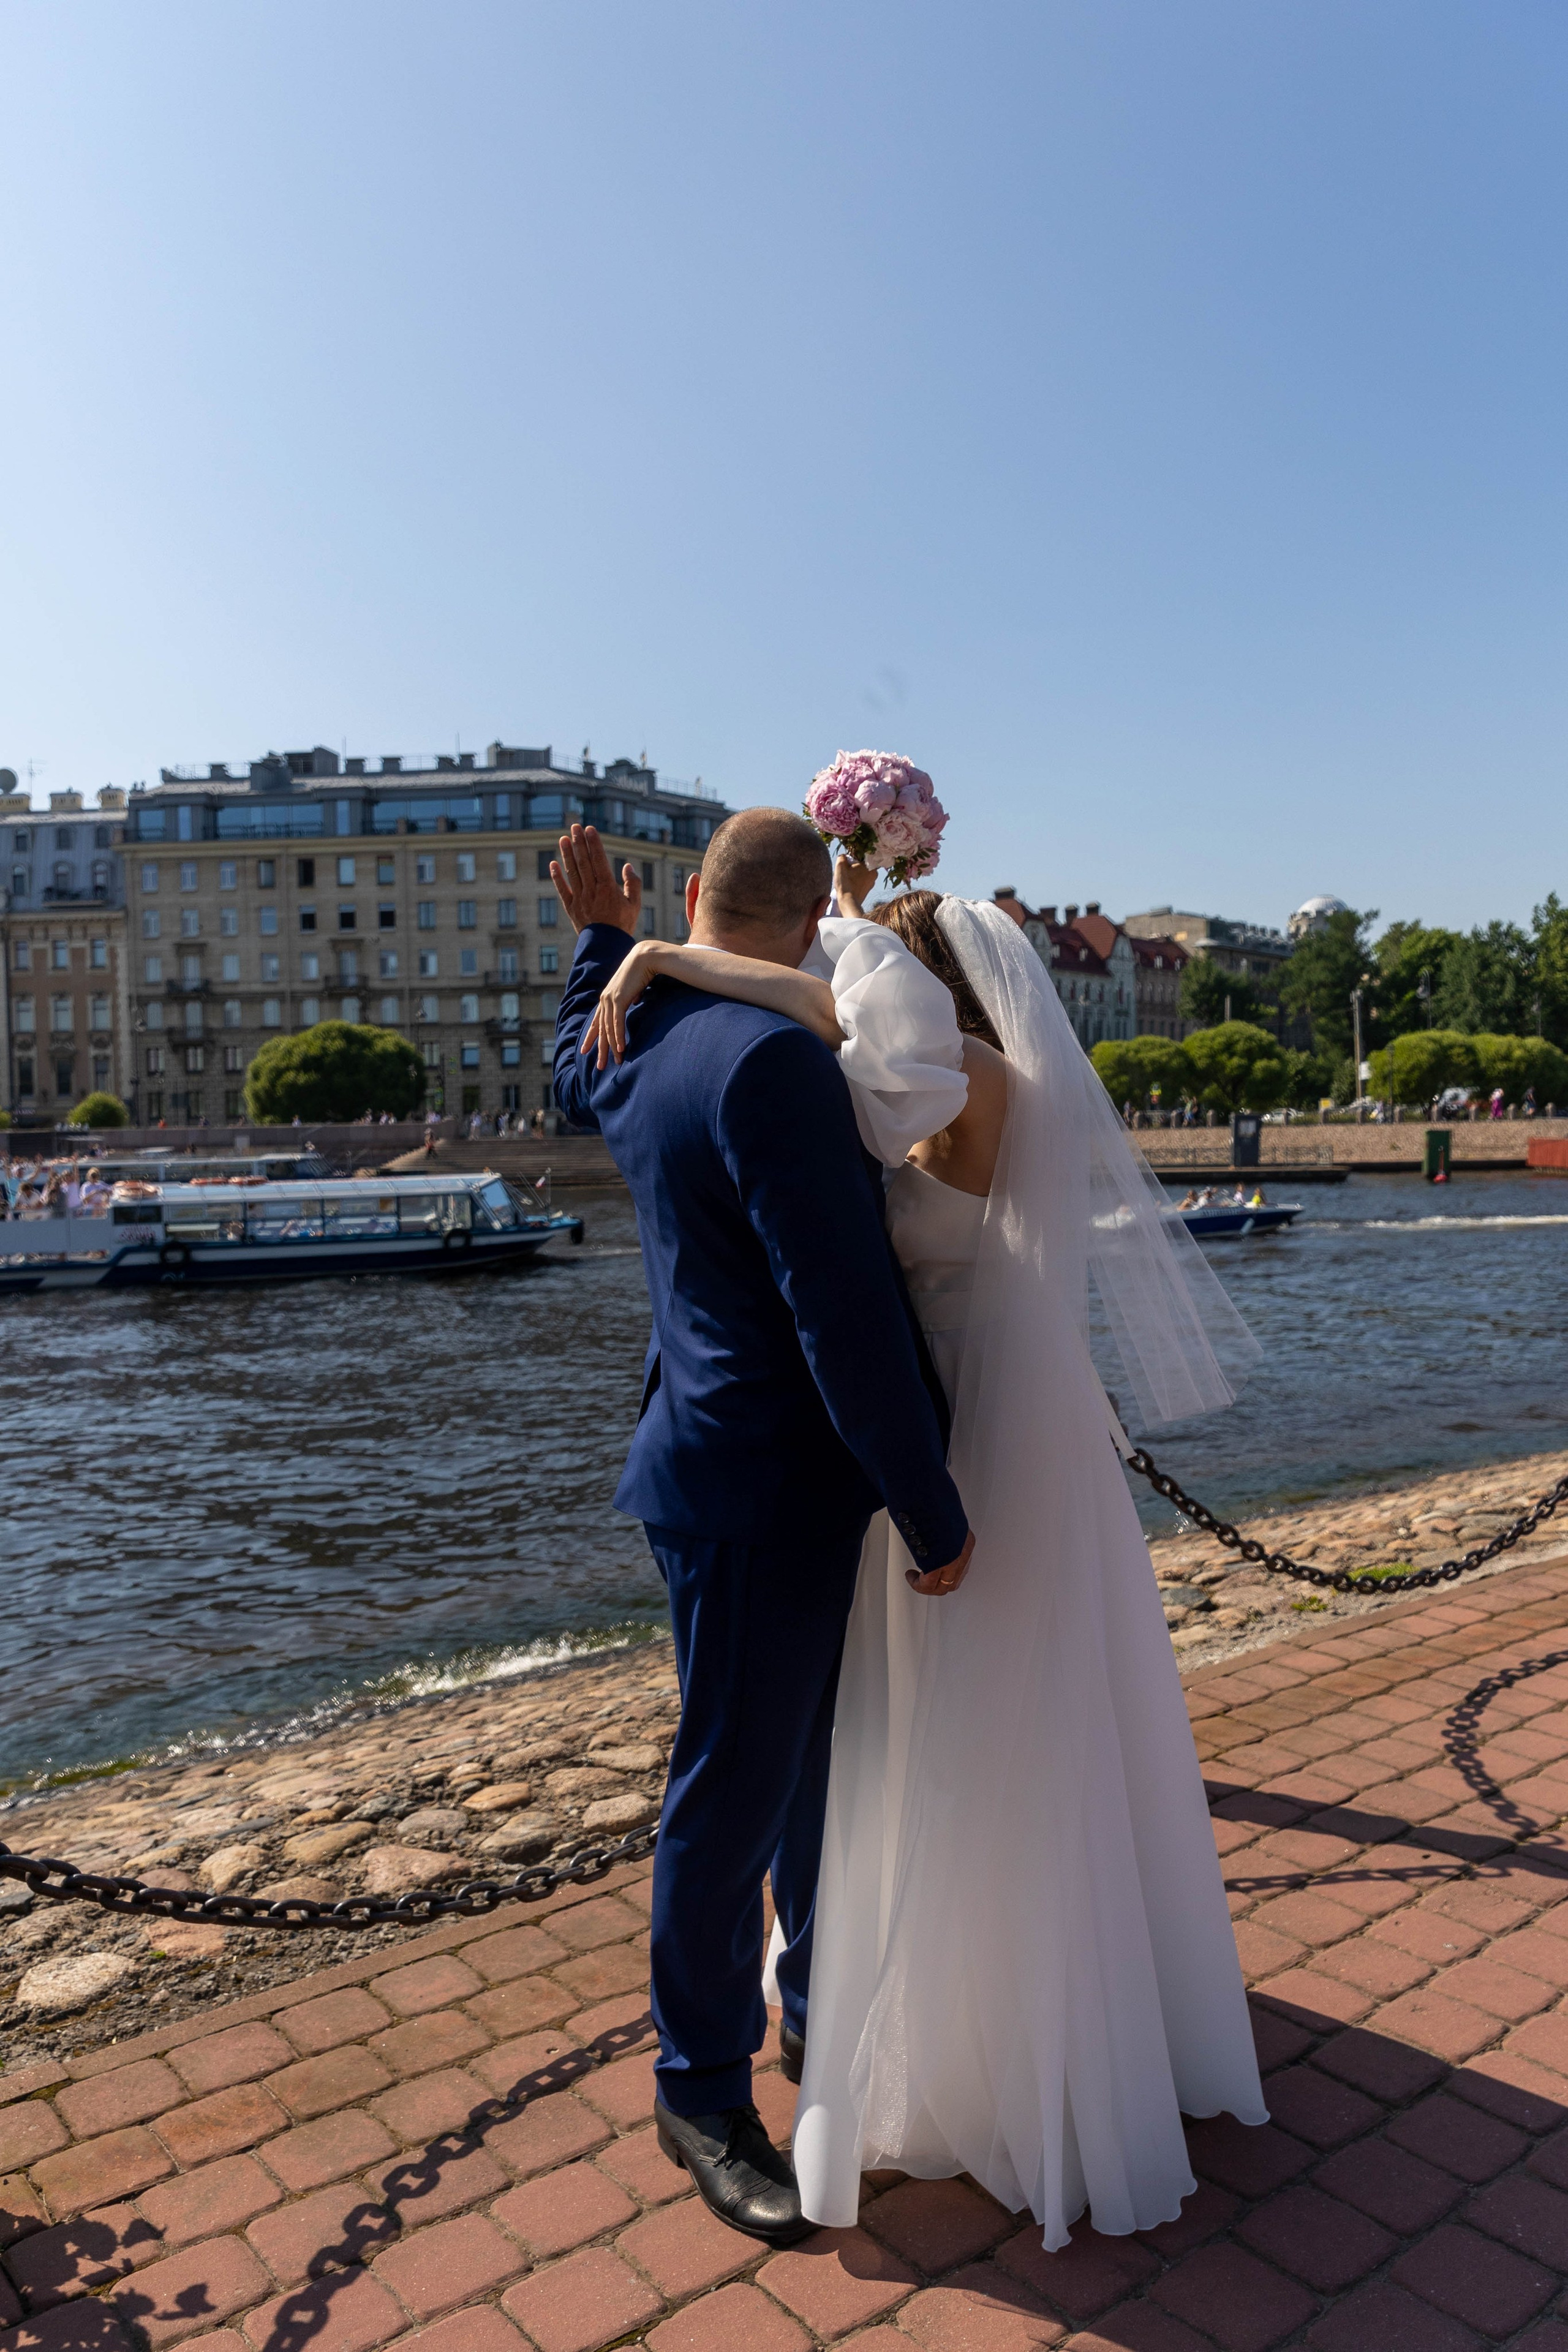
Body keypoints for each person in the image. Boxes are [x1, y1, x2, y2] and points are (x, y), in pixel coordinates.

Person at [587, 864, 1265, 2250]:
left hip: (950, 1430)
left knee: (938, 1733)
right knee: (945, 1732)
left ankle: (918, 2006)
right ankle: (897, 1990)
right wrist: (648, 950)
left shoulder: (935, 1084)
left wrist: (641, 948)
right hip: (952, 1417)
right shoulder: (938, 1070)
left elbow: (843, 1234)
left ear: (902, 990)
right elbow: (802, 1004)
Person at [552, 813, 973, 2251]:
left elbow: (566, 1072)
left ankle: (803, 2020)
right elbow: (840, 1316)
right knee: (733, 1791)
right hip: (764, 1485)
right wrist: (928, 1501)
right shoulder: (780, 1064)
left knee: (789, 1767)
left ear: (690, 904)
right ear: (812, 932)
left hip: (712, 1469)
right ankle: (697, 2093)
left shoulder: (636, 1037)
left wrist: (601, 947)